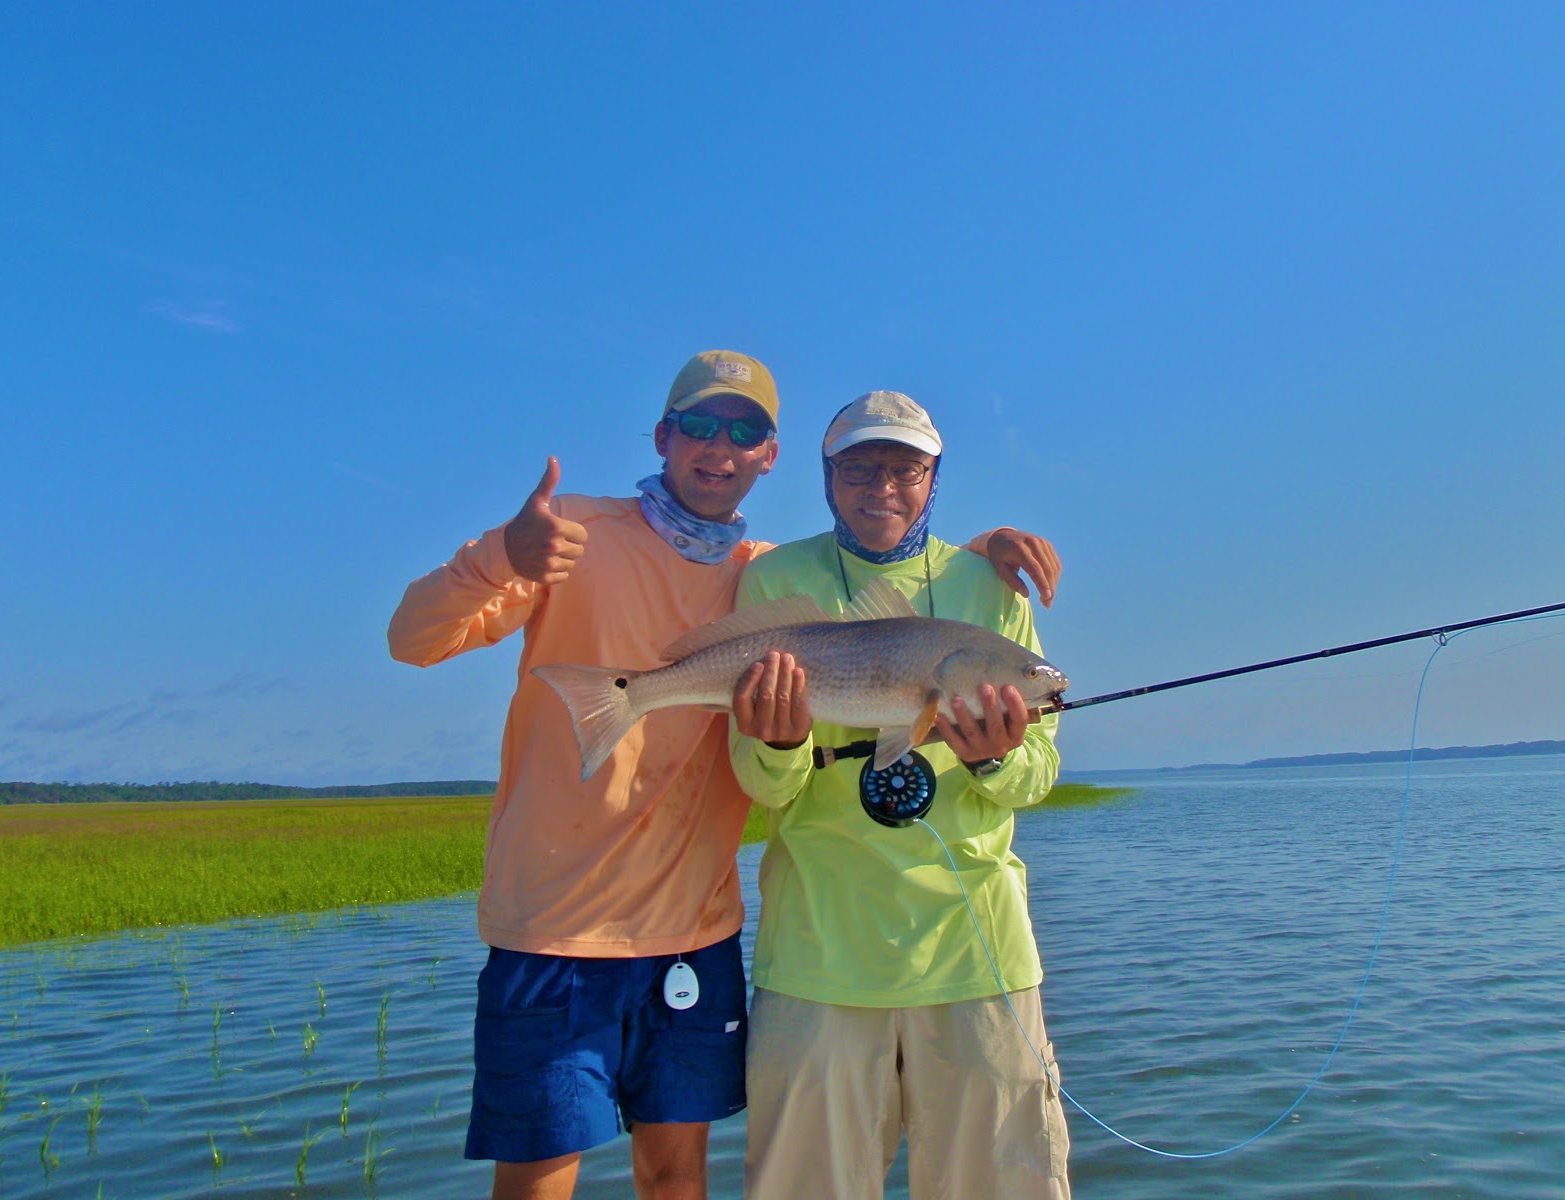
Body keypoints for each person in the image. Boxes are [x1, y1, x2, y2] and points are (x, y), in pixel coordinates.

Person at [387, 354, 1061, 1200]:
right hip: (570, 928)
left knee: (678, 1177)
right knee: (537, 1175)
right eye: (701, 425)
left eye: (745, 430)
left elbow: (1014, 748)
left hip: (712, 936)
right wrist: (502, 556)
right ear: (666, 436)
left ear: (771, 456)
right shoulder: (618, 543)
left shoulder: (894, 580)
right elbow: (411, 639)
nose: (721, 446)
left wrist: (983, 570)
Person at [729, 391, 1073, 1200]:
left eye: (905, 468)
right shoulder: (775, 579)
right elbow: (760, 783)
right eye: (858, 466)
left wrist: (995, 763)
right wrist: (781, 742)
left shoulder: (993, 587)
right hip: (818, 961)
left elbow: (1037, 775)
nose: (881, 485)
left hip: (976, 959)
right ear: (825, 475)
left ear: (934, 479)